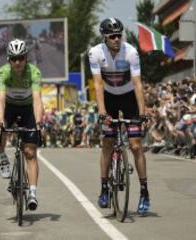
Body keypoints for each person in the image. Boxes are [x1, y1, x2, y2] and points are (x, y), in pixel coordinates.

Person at [88, 18, 150, 214]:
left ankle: (144, 191)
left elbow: (138, 84)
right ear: (104, 38)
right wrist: (102, 112)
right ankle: (104, 187)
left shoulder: (131, 52)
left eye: (119, 35)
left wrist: (142, 113)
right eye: (112, 36)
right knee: (107, 143)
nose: (116, 39)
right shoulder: (95, 53)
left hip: (128, 97)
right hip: (109, 98)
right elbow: (98, 84)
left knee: (136, 145)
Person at [0, 38, 44, 211]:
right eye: (14, 59)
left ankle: (33, 194)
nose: (18, 62)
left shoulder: (34, 72)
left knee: (30, 152)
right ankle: (3, 159)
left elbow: (37, 99)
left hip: (28, 109)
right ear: (9, 59)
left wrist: (39, 122)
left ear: (26, 57)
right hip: (10, 108)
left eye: (21, 58)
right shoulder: (3, 73)